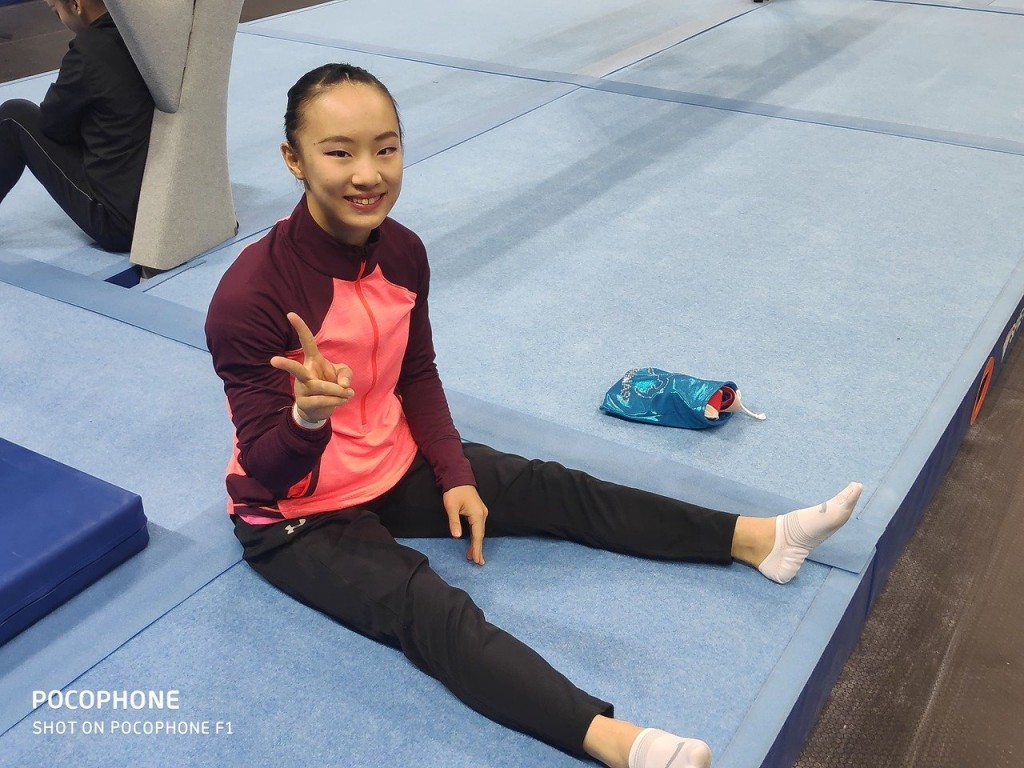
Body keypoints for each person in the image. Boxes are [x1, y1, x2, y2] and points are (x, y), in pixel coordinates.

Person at [204, 63, 863, 768]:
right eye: (339, 152)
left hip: (388, 462)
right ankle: (619, 743)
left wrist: (454, 472)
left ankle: (758, 539)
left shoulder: (402, 251)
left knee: (554, 487)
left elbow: (417, 371)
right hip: (298, 516)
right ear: (294, 161)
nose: (369, 173)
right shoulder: (249, 297)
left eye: (386, 148)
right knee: (429, 607)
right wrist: (308, 420)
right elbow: (268, 474)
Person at [0, 0, 153, 252]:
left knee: (13, 116)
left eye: (55, 10)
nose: (58, 18)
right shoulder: (141, 35)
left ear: (75, 5)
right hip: (161, 207)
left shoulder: (89, 50)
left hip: (117, 223)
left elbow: (51, 125)